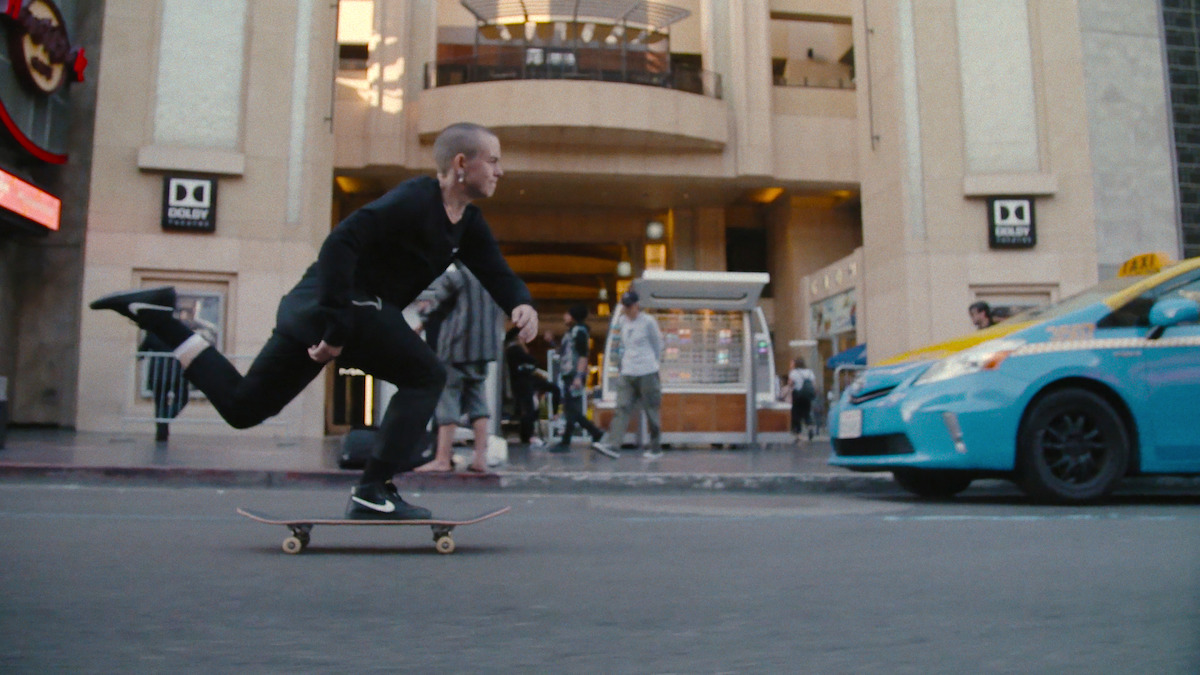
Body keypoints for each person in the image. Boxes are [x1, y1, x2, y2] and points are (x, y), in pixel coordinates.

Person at [89, 122, 538, 520]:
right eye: (493, 161)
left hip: (335, 313)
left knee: (244, 407)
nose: (500, 171)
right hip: (335, 307)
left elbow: (495, 270)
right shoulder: (415, 199)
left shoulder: (467, 222)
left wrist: (522, 303)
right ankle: (372, 490)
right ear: (462, 163)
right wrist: (336, 330)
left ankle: (161, 318)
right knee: (426, 374)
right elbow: (339, 244)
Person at [414, 265, 504, 474]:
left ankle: (442, 459)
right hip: (483, 349)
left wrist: (421, 319)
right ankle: (480, 458)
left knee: (448, 399)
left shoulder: (455, 276)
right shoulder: (491, 276)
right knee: (478, 402)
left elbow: (433, 306)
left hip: (456, 347)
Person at [593, 290, 664, 459]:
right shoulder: (622, 321)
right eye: (625, 306)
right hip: (628, 371)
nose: (627, 309)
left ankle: (656, 447)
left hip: (647, 371)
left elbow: (658, 344)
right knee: (621, 407)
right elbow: (619, 344)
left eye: (630, 306)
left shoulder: (648, 322)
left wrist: (653, 364)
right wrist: (620, 364)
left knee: (651, 411)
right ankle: (613, 445)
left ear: (637, 305)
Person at [553, 304, 614, 457]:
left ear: (573, 316)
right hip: (570, 374)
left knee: (571, 409)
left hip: (574, 375)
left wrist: (579, 377)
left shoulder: (579, 332)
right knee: (571, 409)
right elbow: (564, 352)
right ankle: (594, 433)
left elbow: (583, 355)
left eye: (567, 313)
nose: (564, 316)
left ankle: (569, 440)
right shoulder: (572, 332)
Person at [504, 326, 559, 446]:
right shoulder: (516, 350)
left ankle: (527, 435)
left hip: (524, 382)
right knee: (529, 409)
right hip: (524, 382)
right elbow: (532, 361)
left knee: (529, 408)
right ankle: (527, 435)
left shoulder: (513, 350)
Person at [786, 357, 817, 441]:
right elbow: (814, 384)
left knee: (796, 414)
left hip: (797, 395)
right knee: (806, 412)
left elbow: (790, 383)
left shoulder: (794, 372)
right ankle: (810, 427)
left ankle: (798, 433)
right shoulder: (809, 372)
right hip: (807, 396)